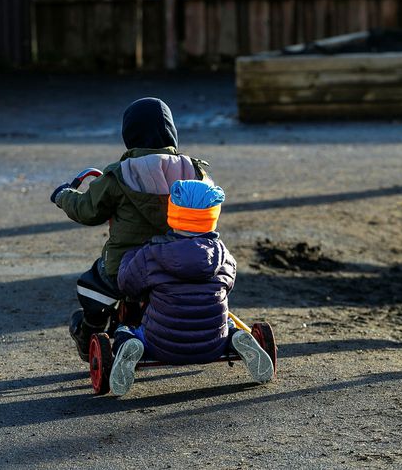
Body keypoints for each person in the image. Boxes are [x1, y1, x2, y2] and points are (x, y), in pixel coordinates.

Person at [50, 98, 210, 361]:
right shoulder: (194, 170)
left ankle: (88, 329)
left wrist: (63, 196)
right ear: (171, 132)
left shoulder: (118, 174)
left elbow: (88, 211)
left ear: (129, 135)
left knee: (92, 282)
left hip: (127, 266)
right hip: (182, 262)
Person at [110, 179, 275, 396]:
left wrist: (130, 256)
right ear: (213, 217)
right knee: (226, 322)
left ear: (173, 213)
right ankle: (234, 339)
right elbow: (228, 287)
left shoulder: (151, 255)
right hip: (213, 345)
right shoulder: (224, 257)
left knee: (124, 330)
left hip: (161, 346)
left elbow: (127, 285)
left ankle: (131, 344)